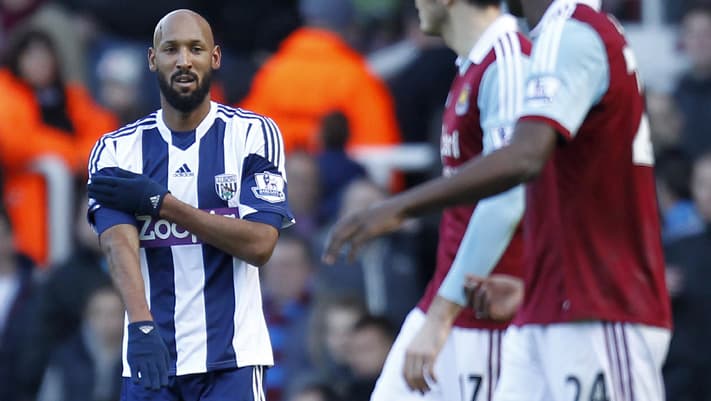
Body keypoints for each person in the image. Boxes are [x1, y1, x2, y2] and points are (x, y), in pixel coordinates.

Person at [324, 0, 672, 400]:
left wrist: (398, 207)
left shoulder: (560, 37)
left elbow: (521, 162)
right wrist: (529, 287)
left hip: (598, 306)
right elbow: (553, 184)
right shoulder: (542, 43)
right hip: (544, 307)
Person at [325, 0, 530, 399]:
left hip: (486, 317)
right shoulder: (472, 64)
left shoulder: (507, 62)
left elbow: (508, 196)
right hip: (451, 302)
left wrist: (441, 315)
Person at [85, 9, 293, 401]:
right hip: (152, 358)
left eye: (195, 49)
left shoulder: (253, 135)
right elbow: (118, 244)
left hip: (232, 362)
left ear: (214, 58)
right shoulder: (116, 149)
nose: (183, 60)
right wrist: (142, 326)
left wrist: (161, 204)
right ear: (152, 59)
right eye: (171, 49)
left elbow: (261, 244)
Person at [0, 28, 117, 266]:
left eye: (45, 55)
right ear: (18, 59)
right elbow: (15, 143)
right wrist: (73, 155)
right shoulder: (7, 92)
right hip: (26, 196)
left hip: (78, 192)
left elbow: (105, 135)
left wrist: (80, 158)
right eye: (31, 56)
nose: (39, 63)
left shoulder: (70, 96)